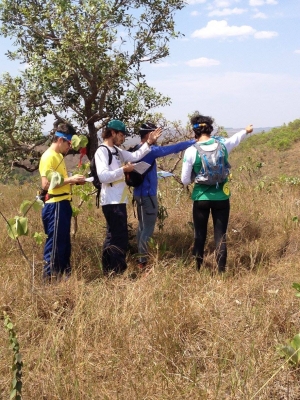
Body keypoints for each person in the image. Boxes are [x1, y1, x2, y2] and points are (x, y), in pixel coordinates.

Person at [181, 112, 253, 273]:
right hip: (222, 198)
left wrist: (195, 177)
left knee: (200, 235)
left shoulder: (191, 151)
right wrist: (246, 130)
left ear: (195, 132)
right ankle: (221, 273)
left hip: (201, 198)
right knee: (221, 236)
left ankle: (198, 270)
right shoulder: (223, 146)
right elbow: (236, 140)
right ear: (210, 130)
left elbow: (185, 180)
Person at [94, 119, 162, 275]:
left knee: (116, 236)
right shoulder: (102, 151)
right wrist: (123, 170)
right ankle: (116, 271)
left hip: (119, 200)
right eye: (121, 134)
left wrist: (149, 142)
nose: (123, 138)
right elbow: (103, 177)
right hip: (111, 200)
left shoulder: (117, 151)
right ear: (112, 133)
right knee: (117, 238)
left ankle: (111, 271)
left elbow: (135, 155)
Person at [133, 122, 196, 270]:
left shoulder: (137, 150)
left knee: (142, 228)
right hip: (148, 196)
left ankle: (140, 258)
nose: (158, 136)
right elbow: (171, 149)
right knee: (147, 229)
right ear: (149, 135)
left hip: (138, 195)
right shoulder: (150, 150)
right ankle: (143, 262)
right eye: (155, 134)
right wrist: (192, 141)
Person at [39, 123, 86, 279]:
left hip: (64, 204)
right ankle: (50, 280)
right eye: (68, 143)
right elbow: (45, 184)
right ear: (60, 140)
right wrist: (70, 179)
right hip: (55, 205)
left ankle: (64, 278)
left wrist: (73, 181)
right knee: (55, 245)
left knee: (64, 245)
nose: (69, 147)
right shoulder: (48, 156)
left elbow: (60, 181)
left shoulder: (58, 156)